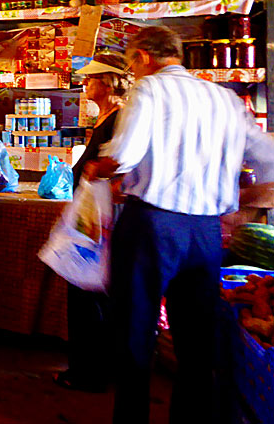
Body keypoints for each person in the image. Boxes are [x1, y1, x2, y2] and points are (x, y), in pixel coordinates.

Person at [85, 26, 274, 424]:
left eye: (133, 62)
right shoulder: (225, 98)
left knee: (135, 332)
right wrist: (237, 202)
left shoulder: (149, 90)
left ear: (143, 58)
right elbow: (266, 160)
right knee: (196, 341)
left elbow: (125, 155)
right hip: (205, 233)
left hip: (152, 226)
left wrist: (97, 169)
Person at [54, 51, 132, 393]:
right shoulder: (106, 119)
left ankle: (89, 372)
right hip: (90, 222)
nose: (84, 84)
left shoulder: (120, 121)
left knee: (90, 298)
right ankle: (89, 366)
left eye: (91, 79)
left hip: (101, 226)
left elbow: (119, 175)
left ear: (110, 82)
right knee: (86, 294)